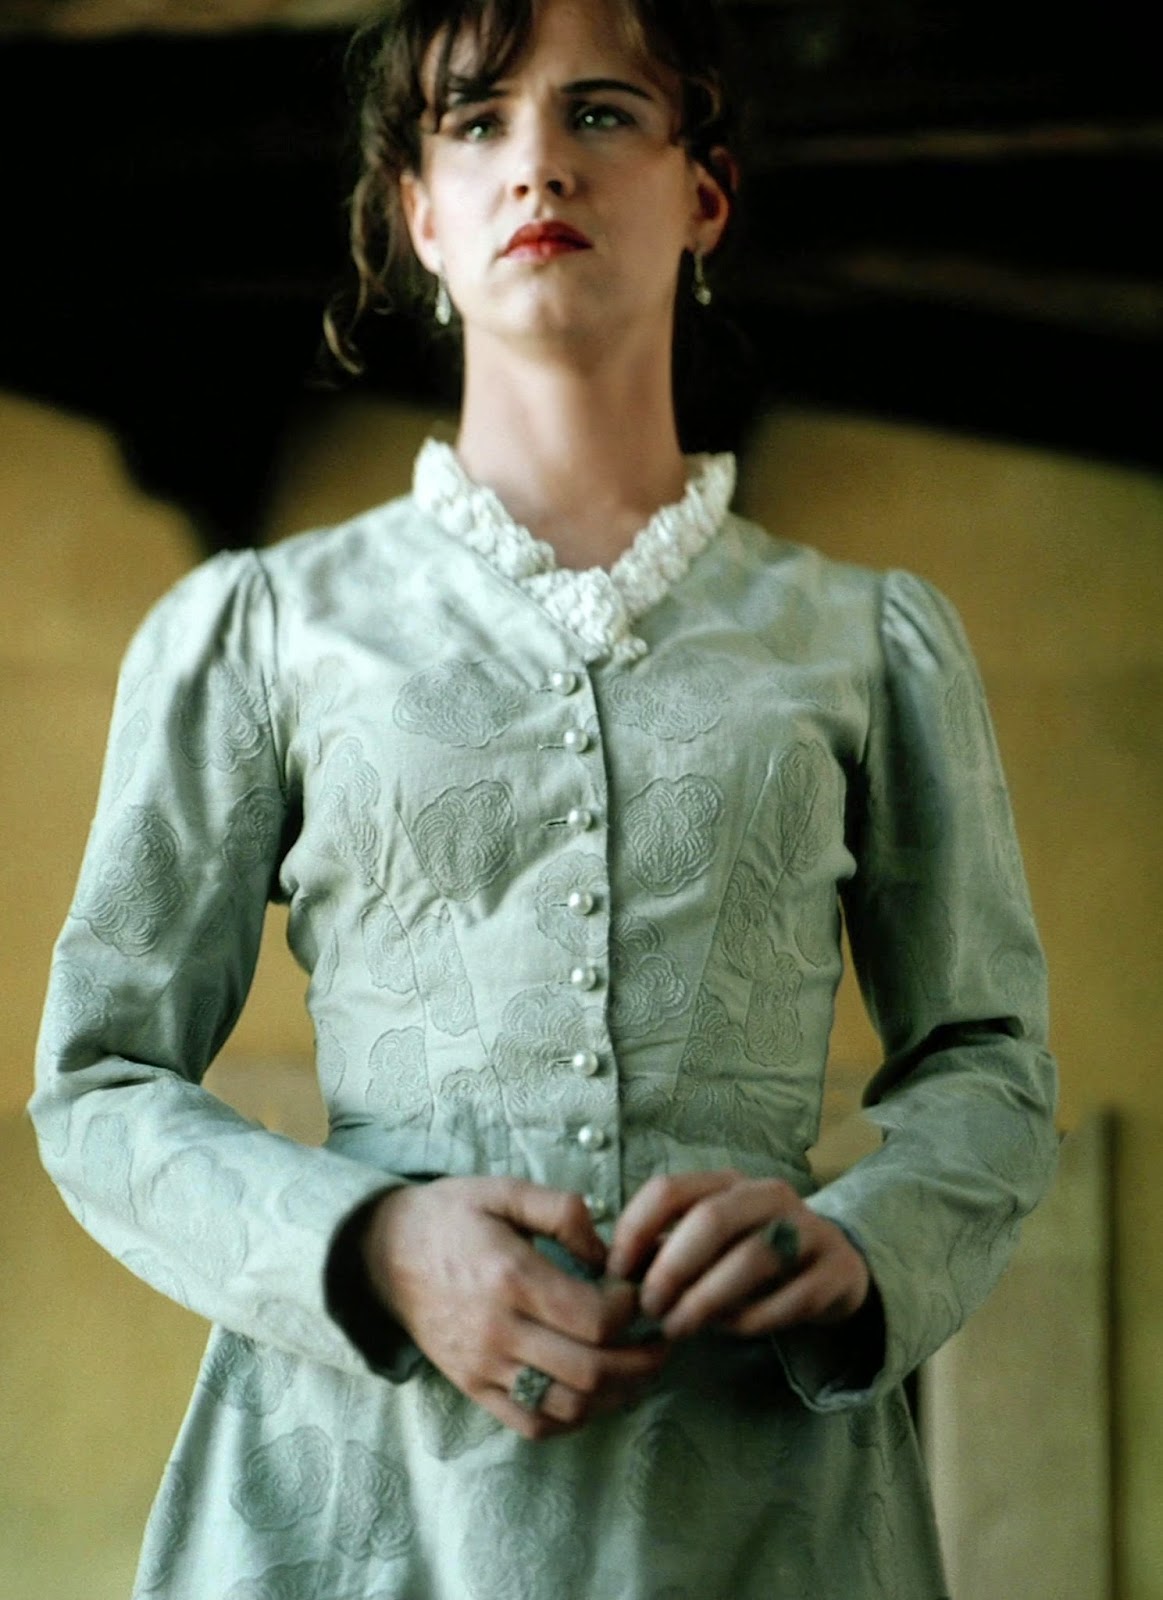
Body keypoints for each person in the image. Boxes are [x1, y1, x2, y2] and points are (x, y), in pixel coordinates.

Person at [30, 0, 1059, 1596]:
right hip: (347, 1512)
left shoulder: (866, 642)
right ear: (419, 216)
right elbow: (100, 1080)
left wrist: (861, 1243)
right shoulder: (262, 629)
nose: (536, 164)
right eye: (475, 122)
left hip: (757, 1512)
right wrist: (375, 1247)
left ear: (703, 195)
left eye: (600, 113)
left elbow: (987, 1058)